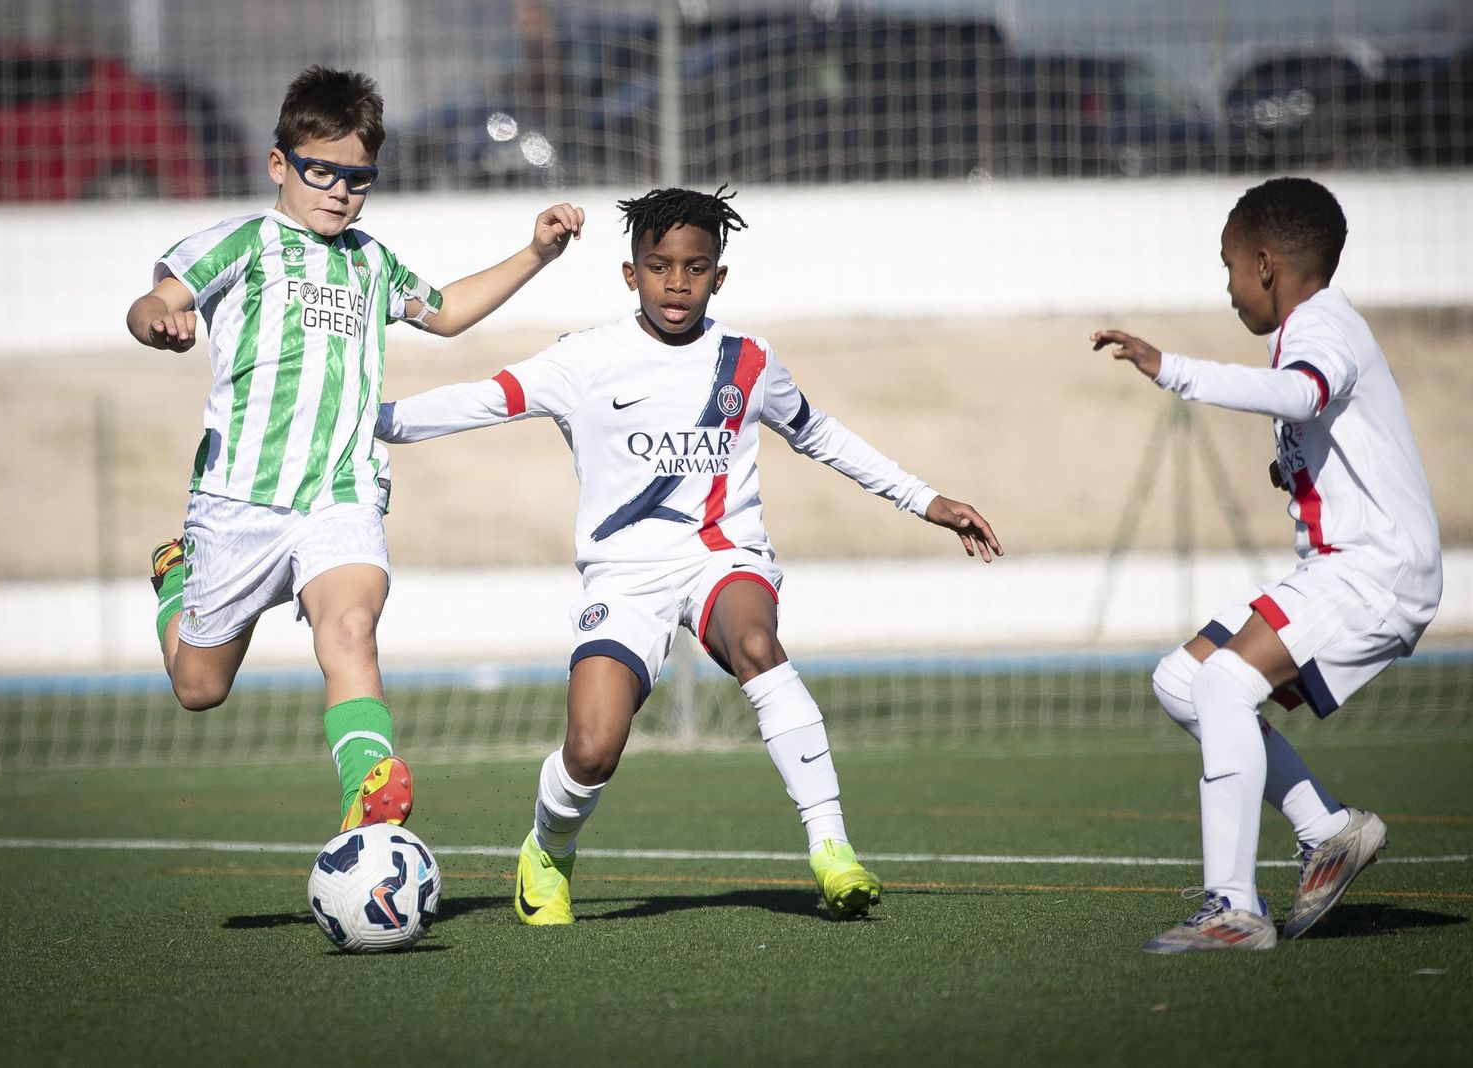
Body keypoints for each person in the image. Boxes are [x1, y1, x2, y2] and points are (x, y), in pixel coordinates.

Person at [376, 186, 1003, 923]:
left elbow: (822, 434)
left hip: (723, 557)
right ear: (629, 273)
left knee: (758, 643)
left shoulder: (748, 360)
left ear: (719, 276)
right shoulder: (584, 359)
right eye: (659, 266)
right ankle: (547, 849)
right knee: (592, 750)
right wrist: (359, 424)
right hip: (624, 574)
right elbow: (473, 401)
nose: (677, 283)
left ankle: (832, 850)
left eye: (696, 268)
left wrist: (925, 499)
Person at [126, 66, 584, 835]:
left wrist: (535, 252)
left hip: (341, 493)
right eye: (321, 173)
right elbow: (154, 302)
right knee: (198, 687)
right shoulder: (244, 242)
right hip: (238, 503)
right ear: (281, 165)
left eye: (358, 179)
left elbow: (443, 313)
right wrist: (158, 325)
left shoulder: (371, 260)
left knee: (350, 628)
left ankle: (367, 805)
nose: (339, 191)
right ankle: (177, 577)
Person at [1091, 176, 1442, 953]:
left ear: (1264, 263)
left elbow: (1302, 392)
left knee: (1223, 679)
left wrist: (1174, 368)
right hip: (1340, 567)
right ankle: (1329, 831)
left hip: (1374, 571)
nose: (1226, 288)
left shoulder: (1321, 326)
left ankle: (1232, 911)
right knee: (1182, 679)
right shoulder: (1318, 326)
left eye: (1227, 267)